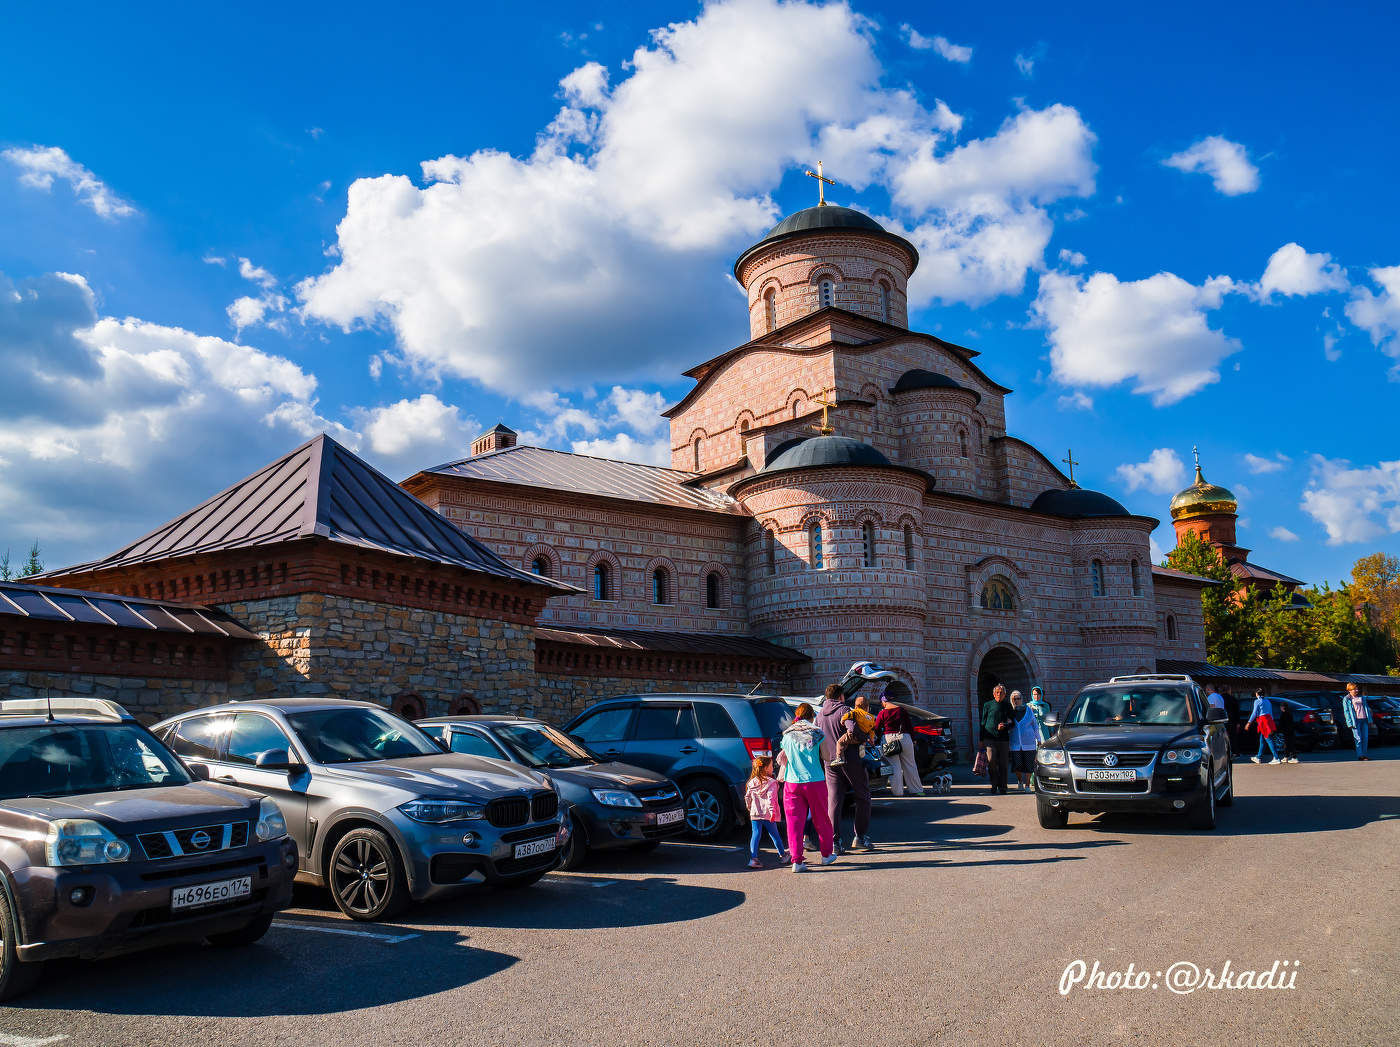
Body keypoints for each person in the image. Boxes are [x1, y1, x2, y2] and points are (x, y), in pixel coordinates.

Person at [777, 703, 836, 871]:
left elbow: (784, 757)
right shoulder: (817, 732)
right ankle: (826, 855)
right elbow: (825, 756)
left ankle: (797, 861)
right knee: (822, 819)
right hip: (815, 781)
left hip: (792, 783)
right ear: (812, 716)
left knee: (794, 823)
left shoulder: (787, 735)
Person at [817, 684, 874, 852]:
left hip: (830, 761)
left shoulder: (819, 715)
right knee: (863, 796)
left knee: (834, 801)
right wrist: (865, 739)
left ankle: (834, 842)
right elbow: (853, 729)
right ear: (841, 696)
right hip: (851, 759)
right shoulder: (844, 710)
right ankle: (860, 837)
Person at [873, 691, 925, 797]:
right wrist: (913, 739)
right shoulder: (902, 710)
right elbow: (909, 725)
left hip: (889, 739)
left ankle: (898, 792)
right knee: (910, 765)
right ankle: (917, 790)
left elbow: (877, 728)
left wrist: (875, 740)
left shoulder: (882, 713)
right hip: (905, 737)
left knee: (894, 766)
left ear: (883, 700)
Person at [744, 755, 789, 867]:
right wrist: (772, 811)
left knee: (756, 834)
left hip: (755, 813)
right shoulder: (772, 783)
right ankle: (783, 855)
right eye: (771, 766)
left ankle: (753, 859)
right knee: (774, 835)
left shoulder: (751, 782)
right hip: (768, 814)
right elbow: (771, 799)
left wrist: (750, 808)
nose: (773, 767)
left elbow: (747, 797)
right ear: (765, 768)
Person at [980, 684, 1013, 795]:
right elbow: (983, 722)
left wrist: (1005, 726)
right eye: (997, 692)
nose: (999, 694)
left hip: (1003, 739)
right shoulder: (987, 705)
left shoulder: (1008, 706)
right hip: (990, 739)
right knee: (992, 762)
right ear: (994, 694)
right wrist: (981, 739)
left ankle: (1003, 787)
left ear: (1005, 694)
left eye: (1001, 693)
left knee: (1003, 764)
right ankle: (994, 784)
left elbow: (1012, 722)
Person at [1008, 690, 1040, 792]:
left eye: (1018, 698)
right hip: (1015, 743)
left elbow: (1035, 725)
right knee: (1017, 765)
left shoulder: (1028, 710)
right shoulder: (1010, 712)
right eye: (1014, 699)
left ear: (1022, 699)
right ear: (1012, 700)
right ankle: (1020, 782)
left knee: (1029, 765)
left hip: (1029, 742)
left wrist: (1038, 739)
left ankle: (1027, 786)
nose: (1017, 700)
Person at [1246, 689, 1282, 765]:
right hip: (1269, 720)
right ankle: (1258, 757)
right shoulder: (1267, 701)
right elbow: (1271, 712)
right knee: (1262, 740)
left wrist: (1249, 722)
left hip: (1263, 721)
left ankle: (1276, 758)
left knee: (1268, 739)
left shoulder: (1257, 701)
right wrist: (1271, 722)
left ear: (1257, 694)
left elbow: (1254, 713)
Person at [1341, 682, 1371, 761]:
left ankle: (1364, 755)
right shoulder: (1346, 699)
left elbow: (1367, 709)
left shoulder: (1362, 698)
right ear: (1349, 690)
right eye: (1354, 689)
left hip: (1364, 720)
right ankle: (1360, 755)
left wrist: (1370, 720)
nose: (1357, 690)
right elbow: (1346, 711)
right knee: (1358, 739)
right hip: (1355, 721)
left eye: (1357, 689)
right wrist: (1349, 723)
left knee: (1365, 738)